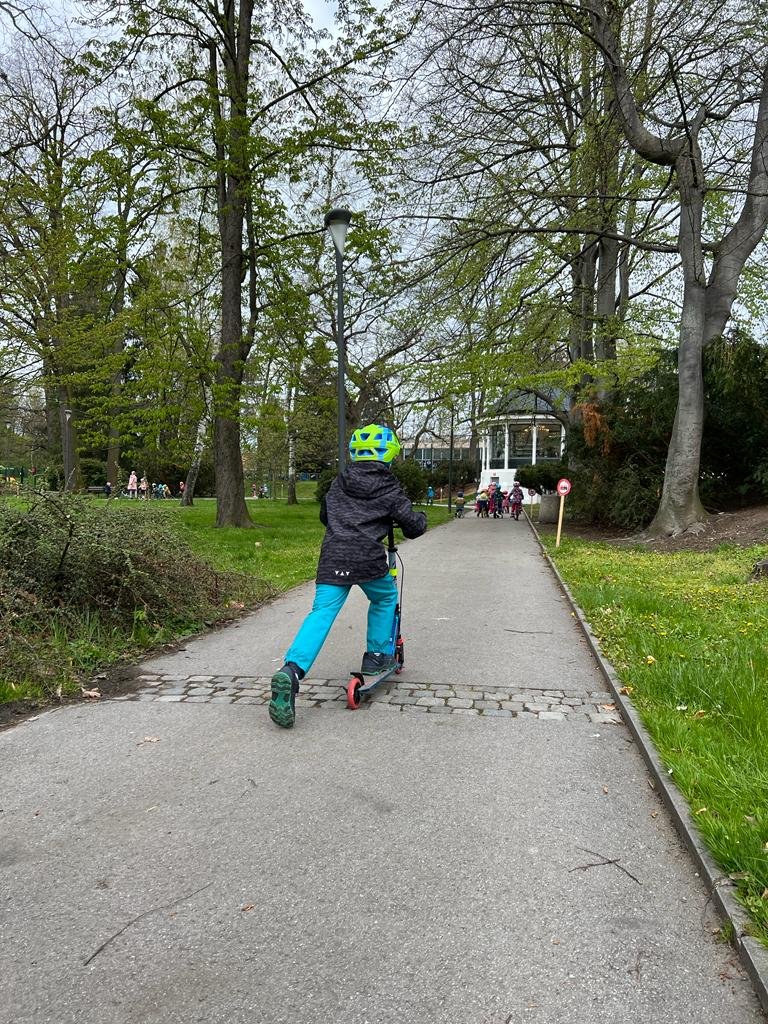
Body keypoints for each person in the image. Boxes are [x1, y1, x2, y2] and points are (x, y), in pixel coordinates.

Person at [269, 423, 427, 729]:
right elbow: (413, 526)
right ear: (390, 455)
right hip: (367, 560)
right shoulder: (389, 487)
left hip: (333, 557)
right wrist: (418, 518)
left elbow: (325, 516)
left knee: (321, 612)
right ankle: (377, 655)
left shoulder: (338, 482)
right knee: (384, 598)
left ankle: (292, 671)